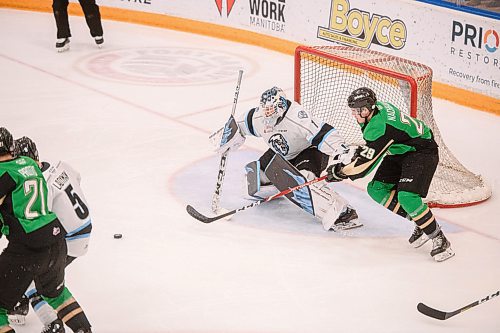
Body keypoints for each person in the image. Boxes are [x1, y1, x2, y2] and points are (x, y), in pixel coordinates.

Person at [325, 87, 455, 262]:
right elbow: (375, 150)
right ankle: (421, 221)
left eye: (356, 111)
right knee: (376, 189)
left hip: (422, 151)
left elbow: (364, 167)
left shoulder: (379, 126)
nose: (353, 115)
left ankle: (439, 238)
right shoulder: (378, 109)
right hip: (401, 150)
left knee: (407, 196)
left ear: (366, 109)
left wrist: (340, 171)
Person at [216, 87, 362, 232]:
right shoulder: (258, 117)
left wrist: (342, 151)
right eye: (264, 109)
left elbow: (323, 133)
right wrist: (228, 135)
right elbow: (240, 125)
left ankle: (343, 212)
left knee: (305, 181)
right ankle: (277, 186)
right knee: (255, 181)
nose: (266, 114)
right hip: (282, 155)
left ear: (280, 106)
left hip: (308, 152)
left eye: (270, 110)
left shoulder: (297, 117)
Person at [0, 127, 92, 333]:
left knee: (29, 281)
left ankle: (51, 321)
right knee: (56, 292)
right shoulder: (45, 167)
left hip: (38, 246)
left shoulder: (8, 174)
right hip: (65, 238)